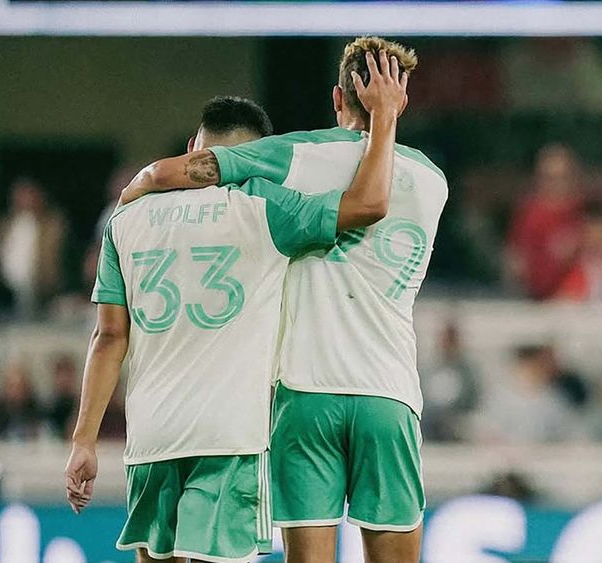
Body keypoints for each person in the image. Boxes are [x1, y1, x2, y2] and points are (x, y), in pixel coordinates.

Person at [64, 62, 407, 563]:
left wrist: (84, 441)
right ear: (251, 159)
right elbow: (369, 202)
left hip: (152, 439)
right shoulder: (263, 209)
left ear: (192, 150)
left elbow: (109, 338)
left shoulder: (128, 218)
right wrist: (383, 119)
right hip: (228, 439)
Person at [505, 144, 584, 300]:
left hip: (583, 303)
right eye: (549, 178)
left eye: (562, 178)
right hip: (540, 302)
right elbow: (515, 261)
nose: (556, 184)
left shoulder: (584, 212)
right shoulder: (529, 215)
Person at [475, 344, 576, 444]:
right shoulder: (498, 398)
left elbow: (567, 435)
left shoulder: (555, 399)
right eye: (540, 362)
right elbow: (486, 433)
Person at [0, 177, 67, 317]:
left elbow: (53, 258)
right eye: (21, 196)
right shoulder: (6, 224)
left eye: (29, 195)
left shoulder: (52, 224)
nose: (25, 200)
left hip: (40, 288)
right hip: (6, 290)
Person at [421, 322, 480, 442]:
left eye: (451, 341)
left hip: (458, 422)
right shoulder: (429, 369)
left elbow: (474, 398)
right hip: (430, 423)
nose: (447, 346)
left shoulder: (469, 372)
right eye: (445, 341)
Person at [0, 361, 43, 442]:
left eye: (20, 386)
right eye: (12, 386)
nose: (16, 391)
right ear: (5, 387)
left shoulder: (35, 409)